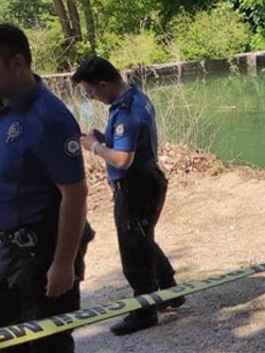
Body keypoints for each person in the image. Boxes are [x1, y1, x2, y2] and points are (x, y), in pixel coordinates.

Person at [0, 24, 92, 352]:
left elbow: (75, 194)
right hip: (4, 247)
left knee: (47, 343)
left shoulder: (49, 118)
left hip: (43, 250)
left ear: (17, 63)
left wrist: (64, 263)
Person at [71, 55, 183, 336]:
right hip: (147, 182)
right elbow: (129, 145)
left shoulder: (127, 111)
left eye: (90, 91)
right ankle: (170, 290)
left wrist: (93, 147)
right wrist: (105, 139)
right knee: (142, 238)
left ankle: (144, 312)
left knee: (133, 251)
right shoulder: (135, 98)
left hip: (135, 188)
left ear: (104, 84)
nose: (91, 97)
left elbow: (122, 160)